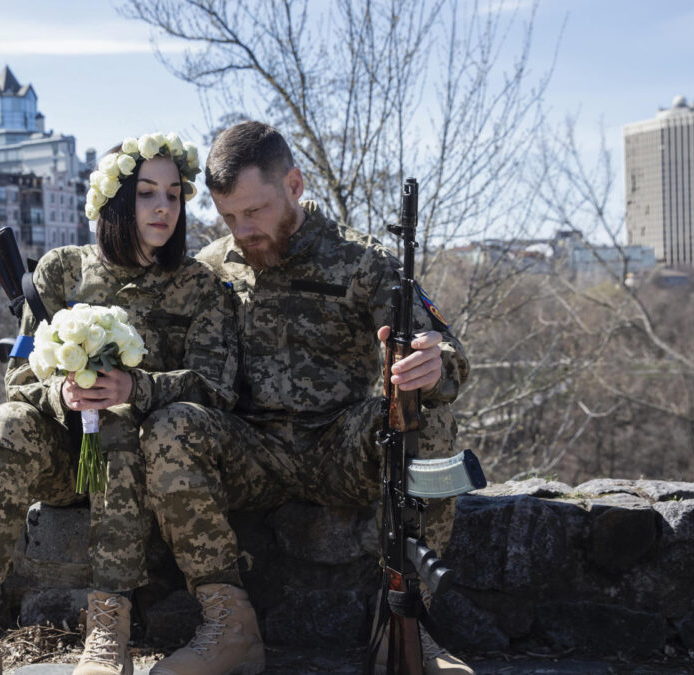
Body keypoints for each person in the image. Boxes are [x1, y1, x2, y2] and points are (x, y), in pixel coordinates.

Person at [141, 121, 473, 675]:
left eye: (256, 210)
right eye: (229, 217)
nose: (243, 230)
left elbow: (454, 363)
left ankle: (405, 625)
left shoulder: (362, 260)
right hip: (252, 451)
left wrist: (431, 367)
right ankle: (229, 627)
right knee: (171, 426)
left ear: (293, 184)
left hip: (340, 445)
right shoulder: (214, 266)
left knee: (430, 422)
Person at [0, 133, 237, 675]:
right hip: (65, 459)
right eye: (145, 193)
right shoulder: (60, 271)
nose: (163, 206)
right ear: (116, 200)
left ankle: (107, 635)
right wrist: (63, 394)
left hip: (143, 461)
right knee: (3, 425)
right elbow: (20, 376)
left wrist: (138, 389)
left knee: (116, 423)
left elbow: (217, 387)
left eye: (173, 194)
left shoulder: (200, 286)